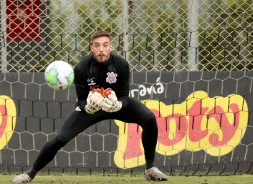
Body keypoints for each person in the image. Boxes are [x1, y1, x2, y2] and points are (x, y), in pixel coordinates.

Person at [12, 30, 168, 183]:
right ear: (91, 48)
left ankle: (150, 169)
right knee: (61, 138)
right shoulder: (81, 68)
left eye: (105, 45)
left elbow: (124, 96)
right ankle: (29, 174)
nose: (101, 49)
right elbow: (80, 100)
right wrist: (87, 107)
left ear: (111, 47)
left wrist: (119, 104)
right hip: (92, 108)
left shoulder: (121, 64)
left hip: (114, 104)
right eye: (97, 45)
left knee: (149, 118)